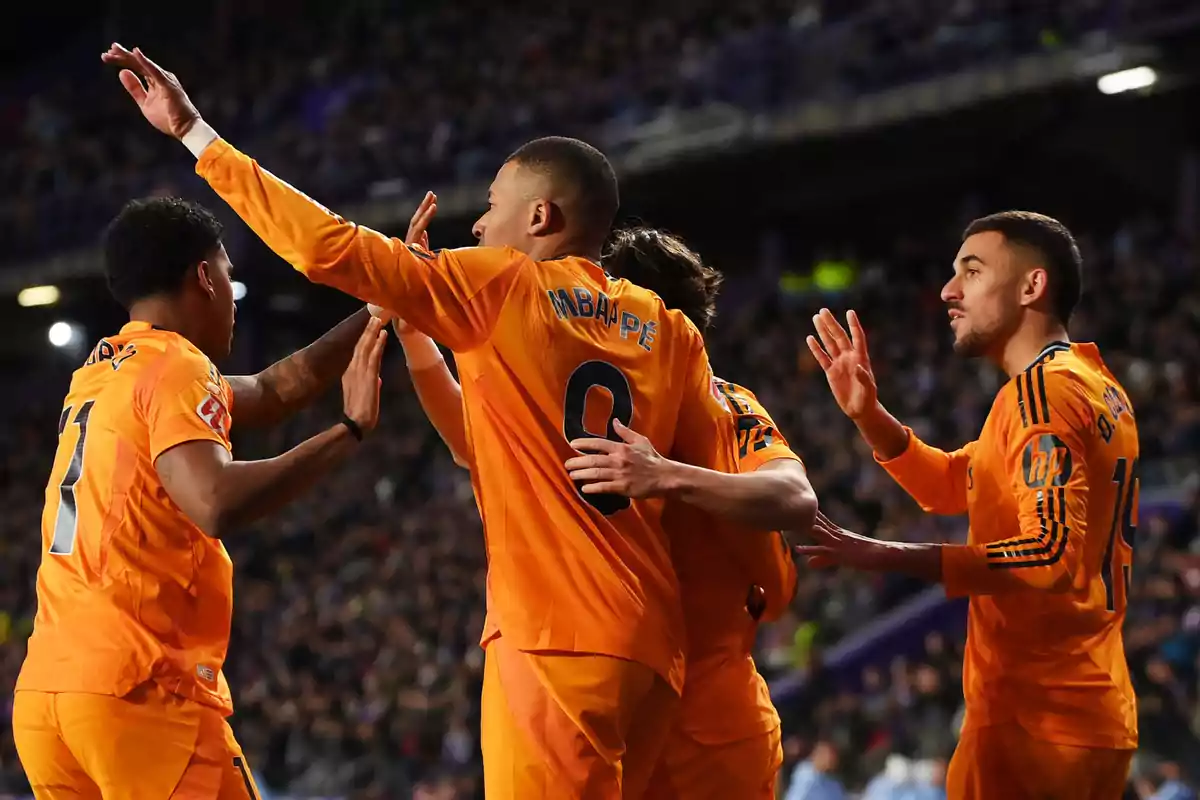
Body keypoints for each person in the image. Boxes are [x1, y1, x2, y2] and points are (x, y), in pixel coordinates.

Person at [103, 44, 737, 799]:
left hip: (553, 638)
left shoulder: (499, 283)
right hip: (655, 653)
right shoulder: (671, 331)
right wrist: (415, 326)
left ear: (540, 217)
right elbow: (707, 484)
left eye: (493, 204)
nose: (476, 225)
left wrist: (196, 135)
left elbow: (325, 246)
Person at [389, 213, 816, 799]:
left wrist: (667, 475)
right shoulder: (603, 415)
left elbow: (794, 498)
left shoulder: (723, 405)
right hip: (631, 701)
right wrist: (415, 333)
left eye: (605, 296)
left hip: (709, 731)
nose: (589, 306)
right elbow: (475, 446)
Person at [12, 196, 389, 798]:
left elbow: (272, 389)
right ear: (205, 277)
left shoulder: (103, 370)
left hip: (51, 699)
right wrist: (348, 433)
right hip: (140, 690)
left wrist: (381, 310)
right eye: (229, 274)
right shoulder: (179, 366)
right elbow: (214, 501)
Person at [800, 211, 1138, 799]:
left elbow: (1051, 554)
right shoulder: (1084, 382)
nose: (948, 291)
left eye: (972, 271)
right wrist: (868, 416)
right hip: (1082, 712)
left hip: (1036, 721)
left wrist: (886, 555)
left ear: (1032, 286)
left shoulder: (1045, 393)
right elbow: (953, 484)